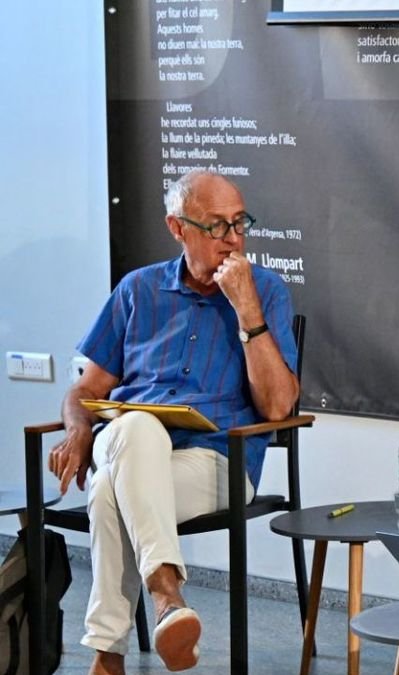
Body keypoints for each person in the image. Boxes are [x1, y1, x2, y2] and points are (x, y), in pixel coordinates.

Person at [48, 169, 299, 675]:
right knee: (134, 429)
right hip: (130, 448)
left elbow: (278, 409)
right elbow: (84, 391)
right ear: (177, 228)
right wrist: (77, 429)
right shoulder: (138, 289)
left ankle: (107, 654)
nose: (232, 239)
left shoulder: (265, 291)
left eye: (239, 223)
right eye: (216, 226)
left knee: (107, 492)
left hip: (216, 463)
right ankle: (167, 599)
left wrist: (247, 311)